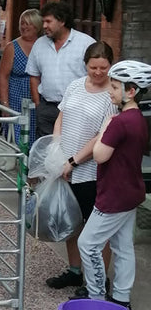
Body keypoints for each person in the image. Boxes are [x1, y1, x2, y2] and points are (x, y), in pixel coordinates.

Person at [77, 60, 151, 309]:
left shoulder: (118, 122)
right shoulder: (138, 118)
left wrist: (105, 126)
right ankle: (121, 296)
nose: (110, 91)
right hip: (130, 192)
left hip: (113, 196)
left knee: (87, 244)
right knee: (122, 246)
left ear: (131, 92)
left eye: (116, 87)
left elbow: (99, 155)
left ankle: (96, 294)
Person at [46, 41, 118, 291]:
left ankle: (97, 279)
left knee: (96, 228)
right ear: (85, 65)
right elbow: (62, 117)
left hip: (90, 171)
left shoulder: (112, 96)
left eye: (103, 67)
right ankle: (74, 270)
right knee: (72, 222)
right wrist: (56, 149)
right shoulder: (75, 86)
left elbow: (102, 136)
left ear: (111, 65)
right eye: (93, 67)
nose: (98, 73)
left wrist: (74, 160)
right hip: (65, 167)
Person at [25, 1, 95, 138]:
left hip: (77, 109)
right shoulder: (39, 44)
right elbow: (34, 76)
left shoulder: (86, 44)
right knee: (46, 151)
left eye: (48, 21)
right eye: (43, 21)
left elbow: (96, 77)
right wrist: (39, 105)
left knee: (73, 149)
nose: (44, 26)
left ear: (62, 21)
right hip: (47, 108)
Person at [0, 9, 43, 148]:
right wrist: (5, 104)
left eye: (28, 24)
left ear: (37, 26)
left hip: (39, 99)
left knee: (37, 137)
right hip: (17, 97)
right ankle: (21, 168)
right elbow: (3, 76)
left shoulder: (44, 45)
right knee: (18, 138)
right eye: (22, 23)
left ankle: (31, 167)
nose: (24, 27)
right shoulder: (12, 47)